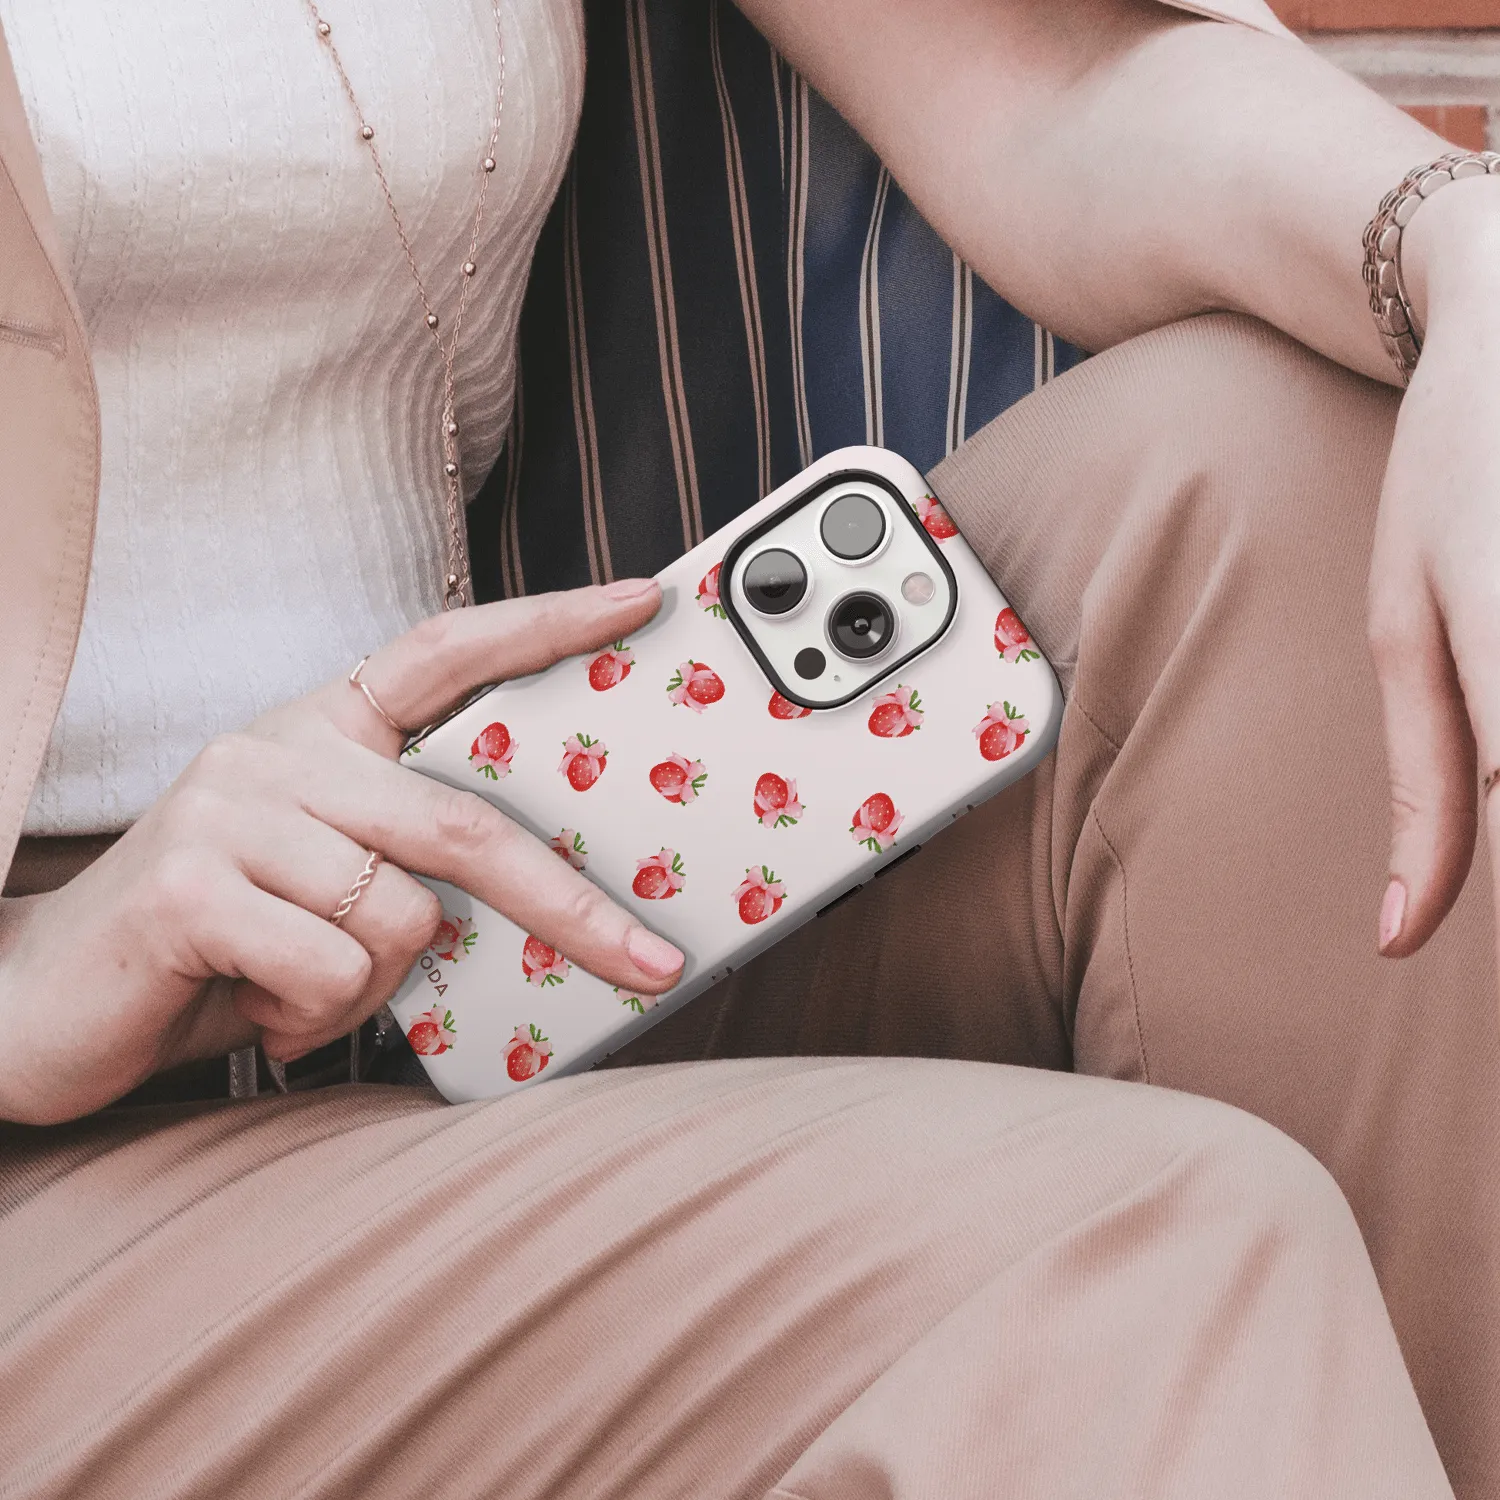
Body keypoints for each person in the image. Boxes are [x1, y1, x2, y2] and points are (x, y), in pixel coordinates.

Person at [0, 1, 1484, 1496]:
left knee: (1292, 484)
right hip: (45, 1134)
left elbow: (1051, 86)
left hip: (467, 898)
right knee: (1155, 1257)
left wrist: (1457, 255)